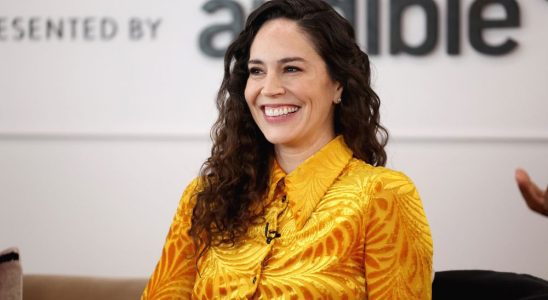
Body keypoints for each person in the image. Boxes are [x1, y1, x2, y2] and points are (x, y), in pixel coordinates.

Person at [142, 0, 433, 298]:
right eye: (257, 71)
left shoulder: (383, 197)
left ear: (338, 85)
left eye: (291, 68)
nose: (269, 88)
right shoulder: (205, 197)